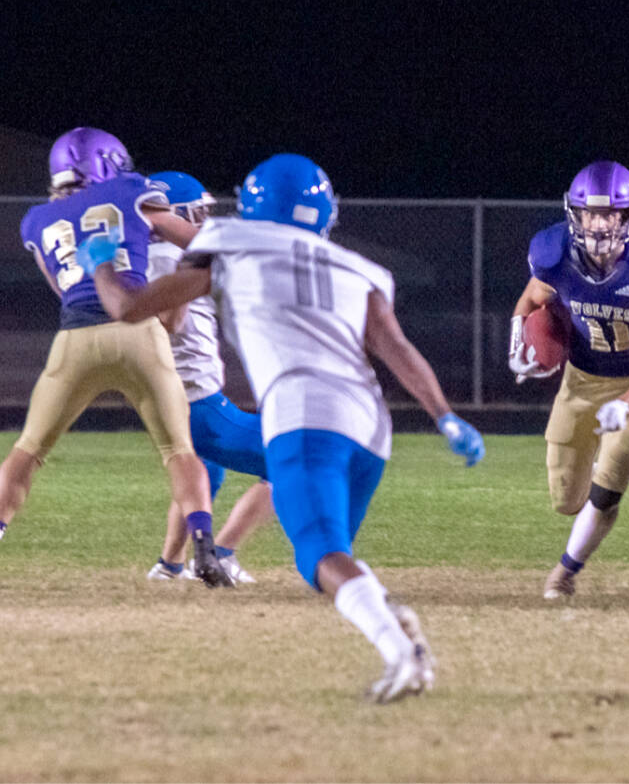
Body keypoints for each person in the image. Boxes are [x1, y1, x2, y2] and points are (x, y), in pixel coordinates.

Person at [81, 153, 485, 702]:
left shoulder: (231, 242)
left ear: (253, 204)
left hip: (305, 415)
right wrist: (445, 416)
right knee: (329, 561)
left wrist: (103, 261)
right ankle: (388, 615)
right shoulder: (357, 266)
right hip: (371, 429)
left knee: (320, 555)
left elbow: (130, 307)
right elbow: (396, 348)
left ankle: (401, 652)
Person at [0, 128, 230, 586]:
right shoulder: (130, 190)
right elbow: (200, 243)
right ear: (108, 163)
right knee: (179, 450)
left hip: (76, 337)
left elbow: (62, 288)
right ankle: (204, 548)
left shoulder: (37, 219)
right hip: (138, 332)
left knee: (28, 450)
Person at [508, 160, 629, 599]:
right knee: (565, 500)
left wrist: (627, 402)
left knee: (605, 491)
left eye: (610, 214)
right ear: (575, 213)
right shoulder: (553, 253)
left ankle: (564, 575)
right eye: (590, 213)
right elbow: (530, 301)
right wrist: (519, 344)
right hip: (580, 380)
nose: (599, 224)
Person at [143, 171, 272, 584]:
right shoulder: (168, 257)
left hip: (177, 397)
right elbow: (172, 322)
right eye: (196, 212)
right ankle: (223, 554)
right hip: (197, 402)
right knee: (295, 455)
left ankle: (169, 565)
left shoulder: (152, 256)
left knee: (204, 471)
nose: (203, 221)